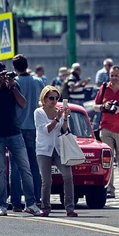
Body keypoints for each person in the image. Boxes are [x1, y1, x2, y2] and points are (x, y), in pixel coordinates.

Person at [0, 62, 42, 216]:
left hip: (15, 132)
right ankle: (2, 205)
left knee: (25, 169)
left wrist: (13, 86)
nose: (2, 76)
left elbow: (23, 104)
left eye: (4, 73)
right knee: (0, 171)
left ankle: (31, 203)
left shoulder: (12, 86)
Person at [34, 85, 78, 217]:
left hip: (59, 148)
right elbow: (45, 130)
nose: (54, 100)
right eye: (51, 98)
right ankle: (45, 207)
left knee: (68, 176)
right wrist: (58, 118)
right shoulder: (39, 112)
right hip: (43, 148)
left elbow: (65, 130)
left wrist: (65, 117)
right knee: (46, 180)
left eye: (56, 98)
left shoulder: (59, 111)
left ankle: (70, 208)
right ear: (44, 98)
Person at [10, 54, 45, 210]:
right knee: (34, 166)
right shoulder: (38, 81)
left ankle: (16, 202)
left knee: (16, 167)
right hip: (34, 127)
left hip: (17, 128)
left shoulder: (15, 83)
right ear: (27, 65)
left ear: (14, 67)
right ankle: (36, 198)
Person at [95, 65, 119, 197]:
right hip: (105, 128)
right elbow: (95, 106)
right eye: (112, 75)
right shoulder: (104, 88)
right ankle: (109, 187)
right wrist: (103, 106)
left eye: (116, 75)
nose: (114, 78)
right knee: (107, 159)